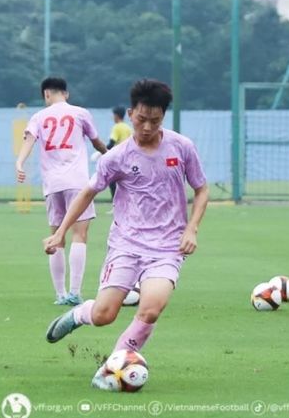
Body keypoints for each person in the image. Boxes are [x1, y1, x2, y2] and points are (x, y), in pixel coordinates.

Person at [42, 79, 209, 390]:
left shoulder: (182, 147)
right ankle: (79, 314)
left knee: (151, 307)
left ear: (163, 117)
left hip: (167, 248)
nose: (147, 127)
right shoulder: (115, 157)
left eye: (155, 120)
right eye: (142, 119)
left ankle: (112, 368)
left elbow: (201, 189)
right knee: (105, 314)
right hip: (126, 245)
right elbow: (87, 193)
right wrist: (61, 232)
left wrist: (192, 228)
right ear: (131, 114)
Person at [15, 77, 107, 306]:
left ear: (46, 94)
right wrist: (109, 154)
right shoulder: (80, 113)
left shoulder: (38, 117)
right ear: (66, 93)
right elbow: (96, 143)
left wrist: (19, 163)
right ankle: (75, 292)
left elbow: (28, 140)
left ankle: (59, 294)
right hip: (78, 183)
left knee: (57, 238)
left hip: (52, 184)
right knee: (80, 234)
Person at [105, 105, 133, 199]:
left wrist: (101, 151)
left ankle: (115, 204)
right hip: (128, 158)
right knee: (124, 182)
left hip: (118, 158)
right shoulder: (128, 127)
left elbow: (112, 142)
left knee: (111, 181)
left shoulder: (117, 127)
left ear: (116, 115)